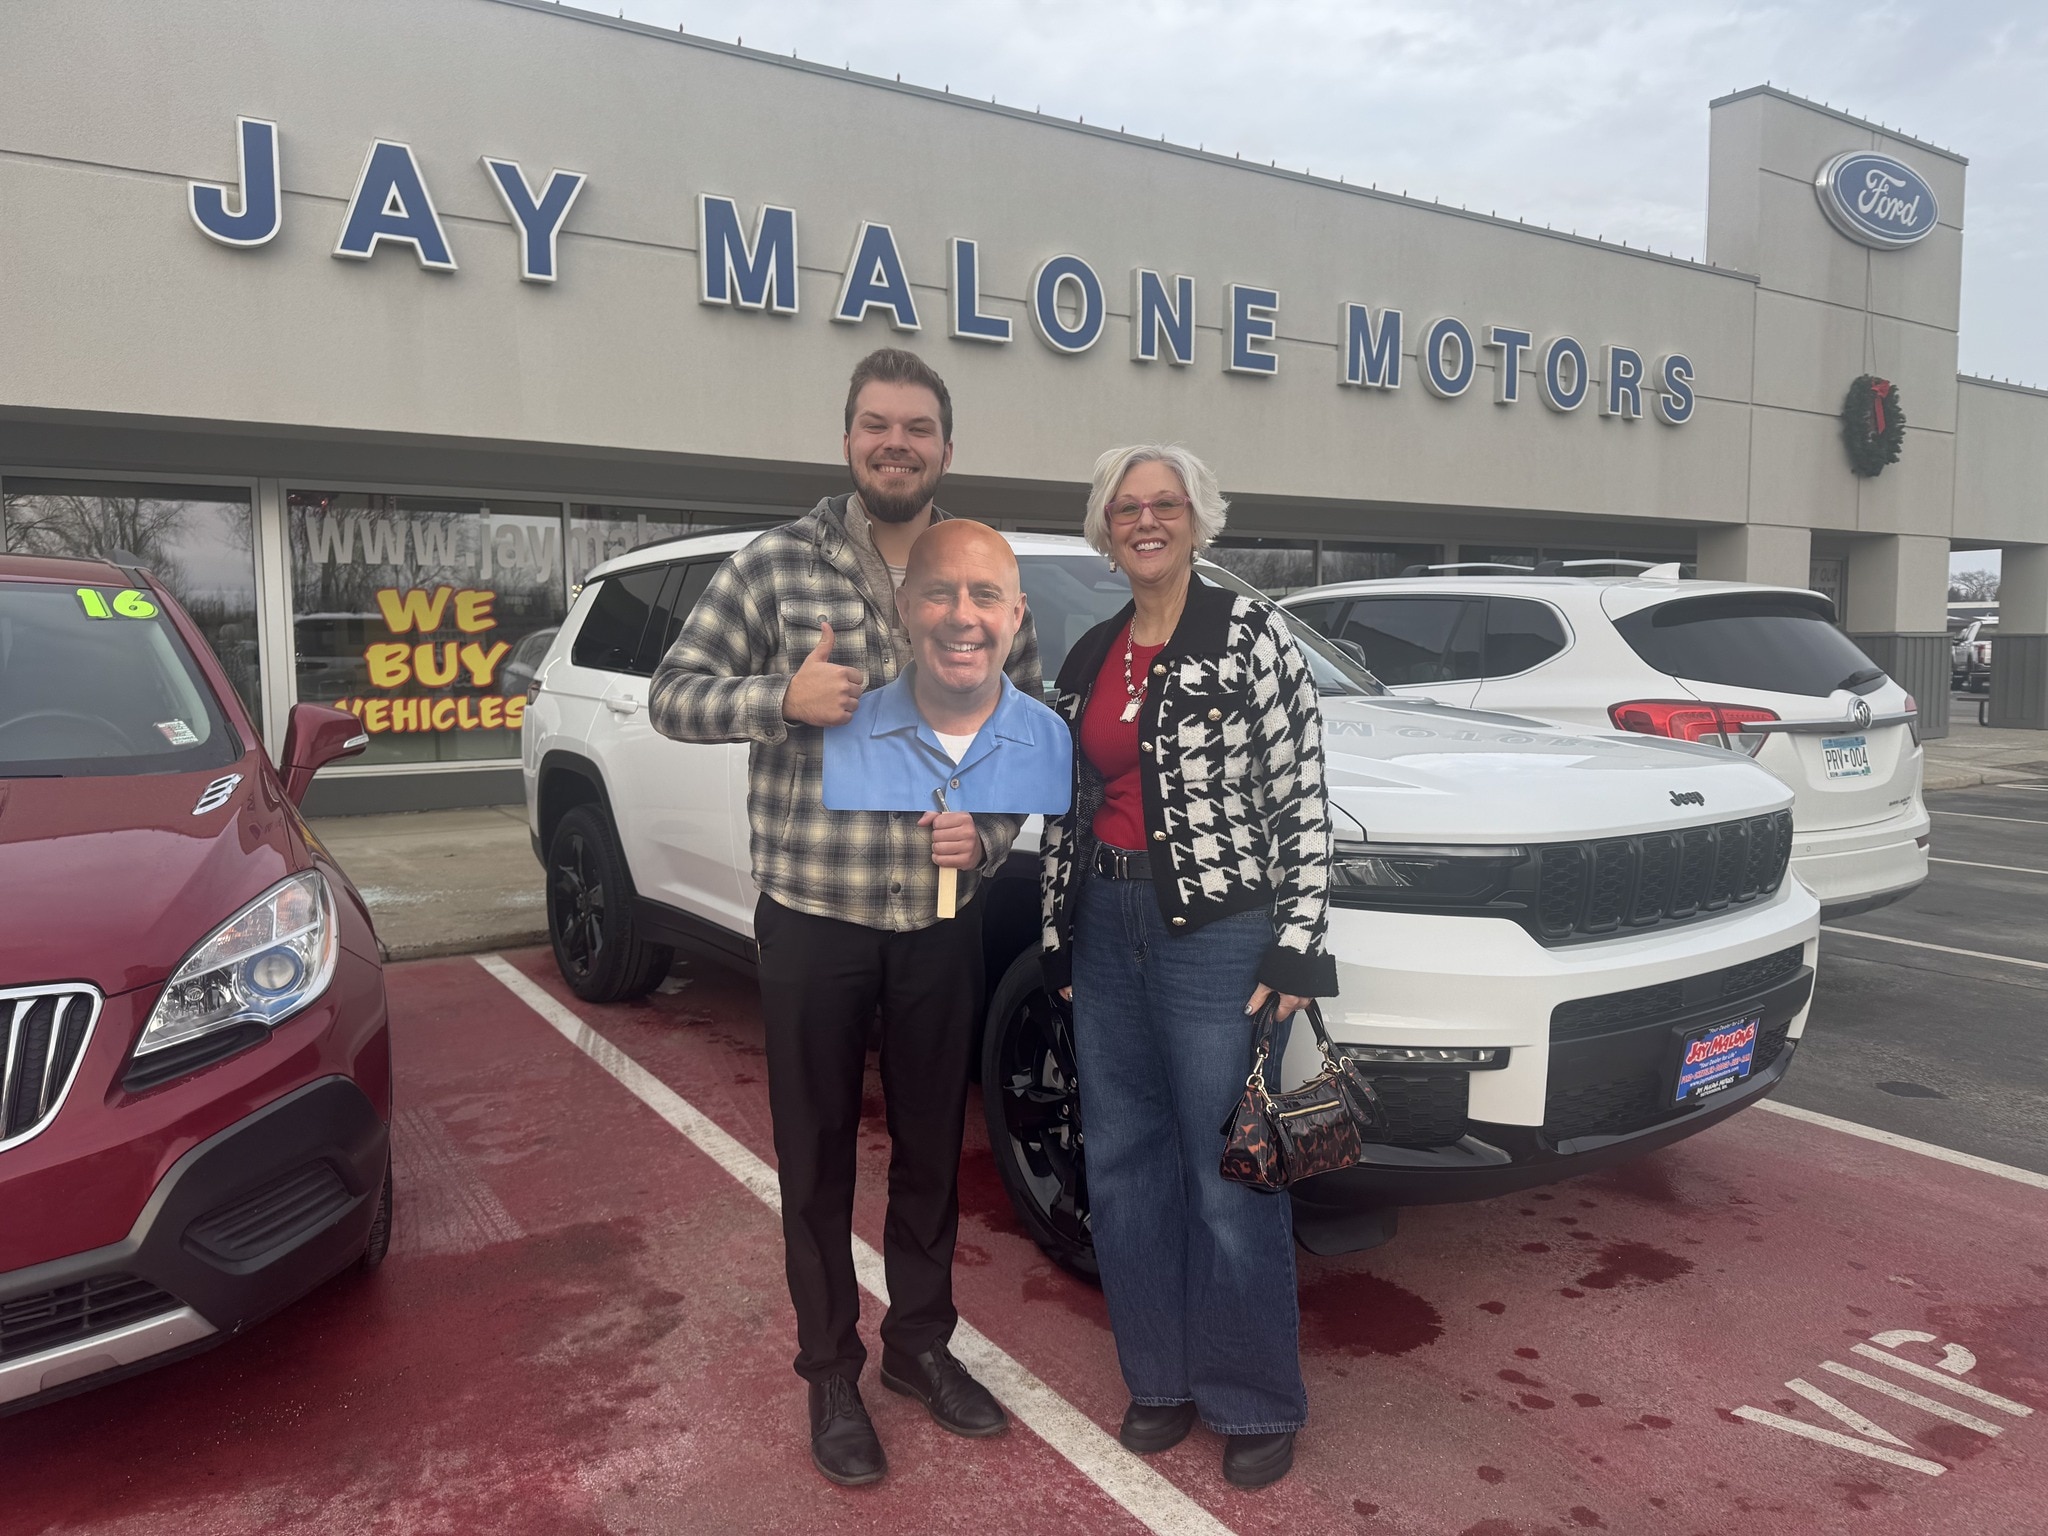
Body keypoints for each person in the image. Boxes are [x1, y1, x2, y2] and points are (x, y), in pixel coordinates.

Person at [649, 349, 1036, 1487]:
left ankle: (919, 1347)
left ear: (947, 448)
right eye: (877, 425)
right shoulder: (774, 566)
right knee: (815, 1156)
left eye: (916, 428)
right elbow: (673, 695)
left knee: (931, 1150)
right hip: (814, 913)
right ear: (850, 438)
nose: (895, 444)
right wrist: (779, 695)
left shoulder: (982, 572)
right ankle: (830, 1371)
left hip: (938, 917)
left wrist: (990, 837)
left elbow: (1020, 725)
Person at [1037, 444, 1338, 1490]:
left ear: (1197, 519)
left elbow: (1301, 792)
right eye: (1127, 507)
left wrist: (1298, 942)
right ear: (1104, 527)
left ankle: (1253, 1395)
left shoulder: (1249, 632)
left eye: (1165, 503)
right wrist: (1057, 932)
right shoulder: (1091, 653)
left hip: (1215, 933)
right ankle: (1159, 1377)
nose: (1146, 520)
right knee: (1123, 1167)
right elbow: (1067, 806)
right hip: (1103, 926)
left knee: (1226, 1169)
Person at [824, 519, 1071, 816]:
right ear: (905, 608)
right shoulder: (845, 736)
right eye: (939, 593)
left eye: (985, 595)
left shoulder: (1053, 740)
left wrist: (984, 836)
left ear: (1017, 614)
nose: (962, 617)